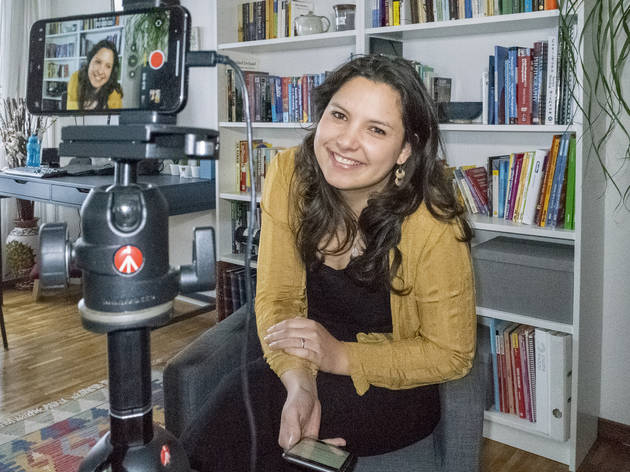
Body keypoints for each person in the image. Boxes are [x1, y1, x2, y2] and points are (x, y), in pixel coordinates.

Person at [181, 54, 476, 471]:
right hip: (297, 354)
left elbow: (451, 354)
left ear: (405, 149)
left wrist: (339, 357)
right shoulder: (289, 174)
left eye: (376, 129)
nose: (346, 141)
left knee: (251, 407)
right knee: (266, 419)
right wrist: (300, 382)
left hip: (390, 381)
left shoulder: (432, 220)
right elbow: (277, 298)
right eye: (339, 115)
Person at [66, 40, 123, 110]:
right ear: (89, 61)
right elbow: (71, 116)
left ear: (112, 71)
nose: (100, 71)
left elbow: (115, 120)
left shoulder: (115, 92)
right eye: (98, 62)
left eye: (108, 66)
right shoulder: (76, 78)